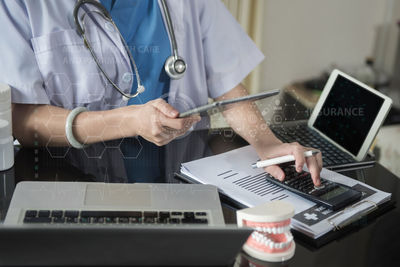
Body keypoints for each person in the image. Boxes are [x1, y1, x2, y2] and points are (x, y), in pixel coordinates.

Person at [0, 0, 322, 185]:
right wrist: (130, 120)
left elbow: (227, 84)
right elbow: (23, 120)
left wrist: (267, 143)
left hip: (184, 188)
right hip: (75, 188)